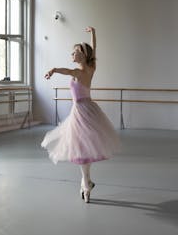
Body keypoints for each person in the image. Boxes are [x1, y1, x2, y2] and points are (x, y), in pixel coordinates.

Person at [41, 26, 120, 203]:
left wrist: (53, 69)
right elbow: (94, 49)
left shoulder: (78, 72)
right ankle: (87, 182)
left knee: (83, 148)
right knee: (84, 148)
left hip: (81, 112)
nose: (73, 54)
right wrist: (93, 33)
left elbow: (66, 70)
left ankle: (86, 183)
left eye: (76, 52)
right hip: (89, 109)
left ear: (83, 55)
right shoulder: (91, 68)